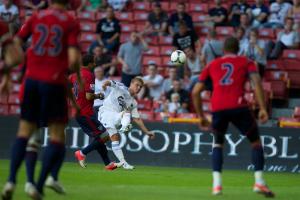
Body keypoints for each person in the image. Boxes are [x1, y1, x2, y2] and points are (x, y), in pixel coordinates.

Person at [1, 0, 82, 199]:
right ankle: (38, 185)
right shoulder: (71, 22)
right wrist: (78, 76)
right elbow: (72, 59)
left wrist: (8, 73)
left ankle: (11, 181)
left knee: (24, 133)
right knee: (57, 136)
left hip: (31, 82)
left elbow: (16, 44)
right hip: (53, 82)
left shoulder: (35, 17)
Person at [192, 37, 275, 197]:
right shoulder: (247, 62)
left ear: (223, 50)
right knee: (255, 142)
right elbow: (256, 82)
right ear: (238, 49)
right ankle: (259, 182)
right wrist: (263, 108)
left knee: (217, 144)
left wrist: (201, 116)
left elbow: (195, 92)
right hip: (238, 106)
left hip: (218, 108)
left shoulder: (211, 65)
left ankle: (217, 186)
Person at [69, 54, 117, 170]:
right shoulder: (89, 75)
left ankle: (108, 163)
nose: (95, 64)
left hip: (77, 111)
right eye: (94, 62)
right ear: (89, 63)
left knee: (99, 137)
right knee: (105, 135)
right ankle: (82, 153)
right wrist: (99, 95)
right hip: (85, 112)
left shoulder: (73, 75)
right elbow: (89, 96)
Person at [98, 77, 155, 169]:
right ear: (131, 83)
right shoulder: (121, 87)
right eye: (137, 85)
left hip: (115, 117)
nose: (139, 88)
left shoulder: (133, 102)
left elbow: (137, 119)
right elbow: (110, 82)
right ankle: (125, 126)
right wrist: (104, 85)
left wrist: (147, 132)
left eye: (140, 87)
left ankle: (123, 163)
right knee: (127, 112)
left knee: (114, 138)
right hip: (106, 113)